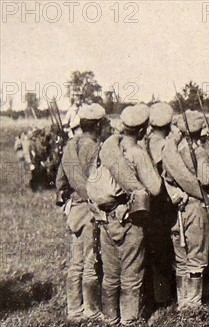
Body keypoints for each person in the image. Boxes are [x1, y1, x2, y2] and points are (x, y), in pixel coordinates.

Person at [97, 104, 162, 325]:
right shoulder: (137, 153)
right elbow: (155, 188)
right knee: (131, 275)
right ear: (142, 130)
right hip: (131, 219)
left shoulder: (109, 150)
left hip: (107, 218)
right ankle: (129, 320)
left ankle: (109, 318)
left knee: (110, 274)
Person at [161, 111, 209, 310]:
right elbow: (206, 179)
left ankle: (182, 300)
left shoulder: (171, 153)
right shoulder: (198, 152)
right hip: (196, 208)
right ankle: (193, 303)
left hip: (177, 210)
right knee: (196, 255)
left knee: (181, 256)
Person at [55, 103, 107, 322]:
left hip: (75, 209)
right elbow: (99, 182)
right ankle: (91, 310)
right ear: (97, 125)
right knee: (91, 261)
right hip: (91, 209)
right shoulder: (96, 148)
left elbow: (60, 181)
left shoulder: (70, 147)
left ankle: (74, 309)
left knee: (76, 261)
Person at [143, 102, 177, 307]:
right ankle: (163, 297)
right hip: (162, 202)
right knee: (163, 248)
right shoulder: (164, 145)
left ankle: (152, 292)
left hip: (147, 203)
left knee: (151, 248)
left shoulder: (144, 142)